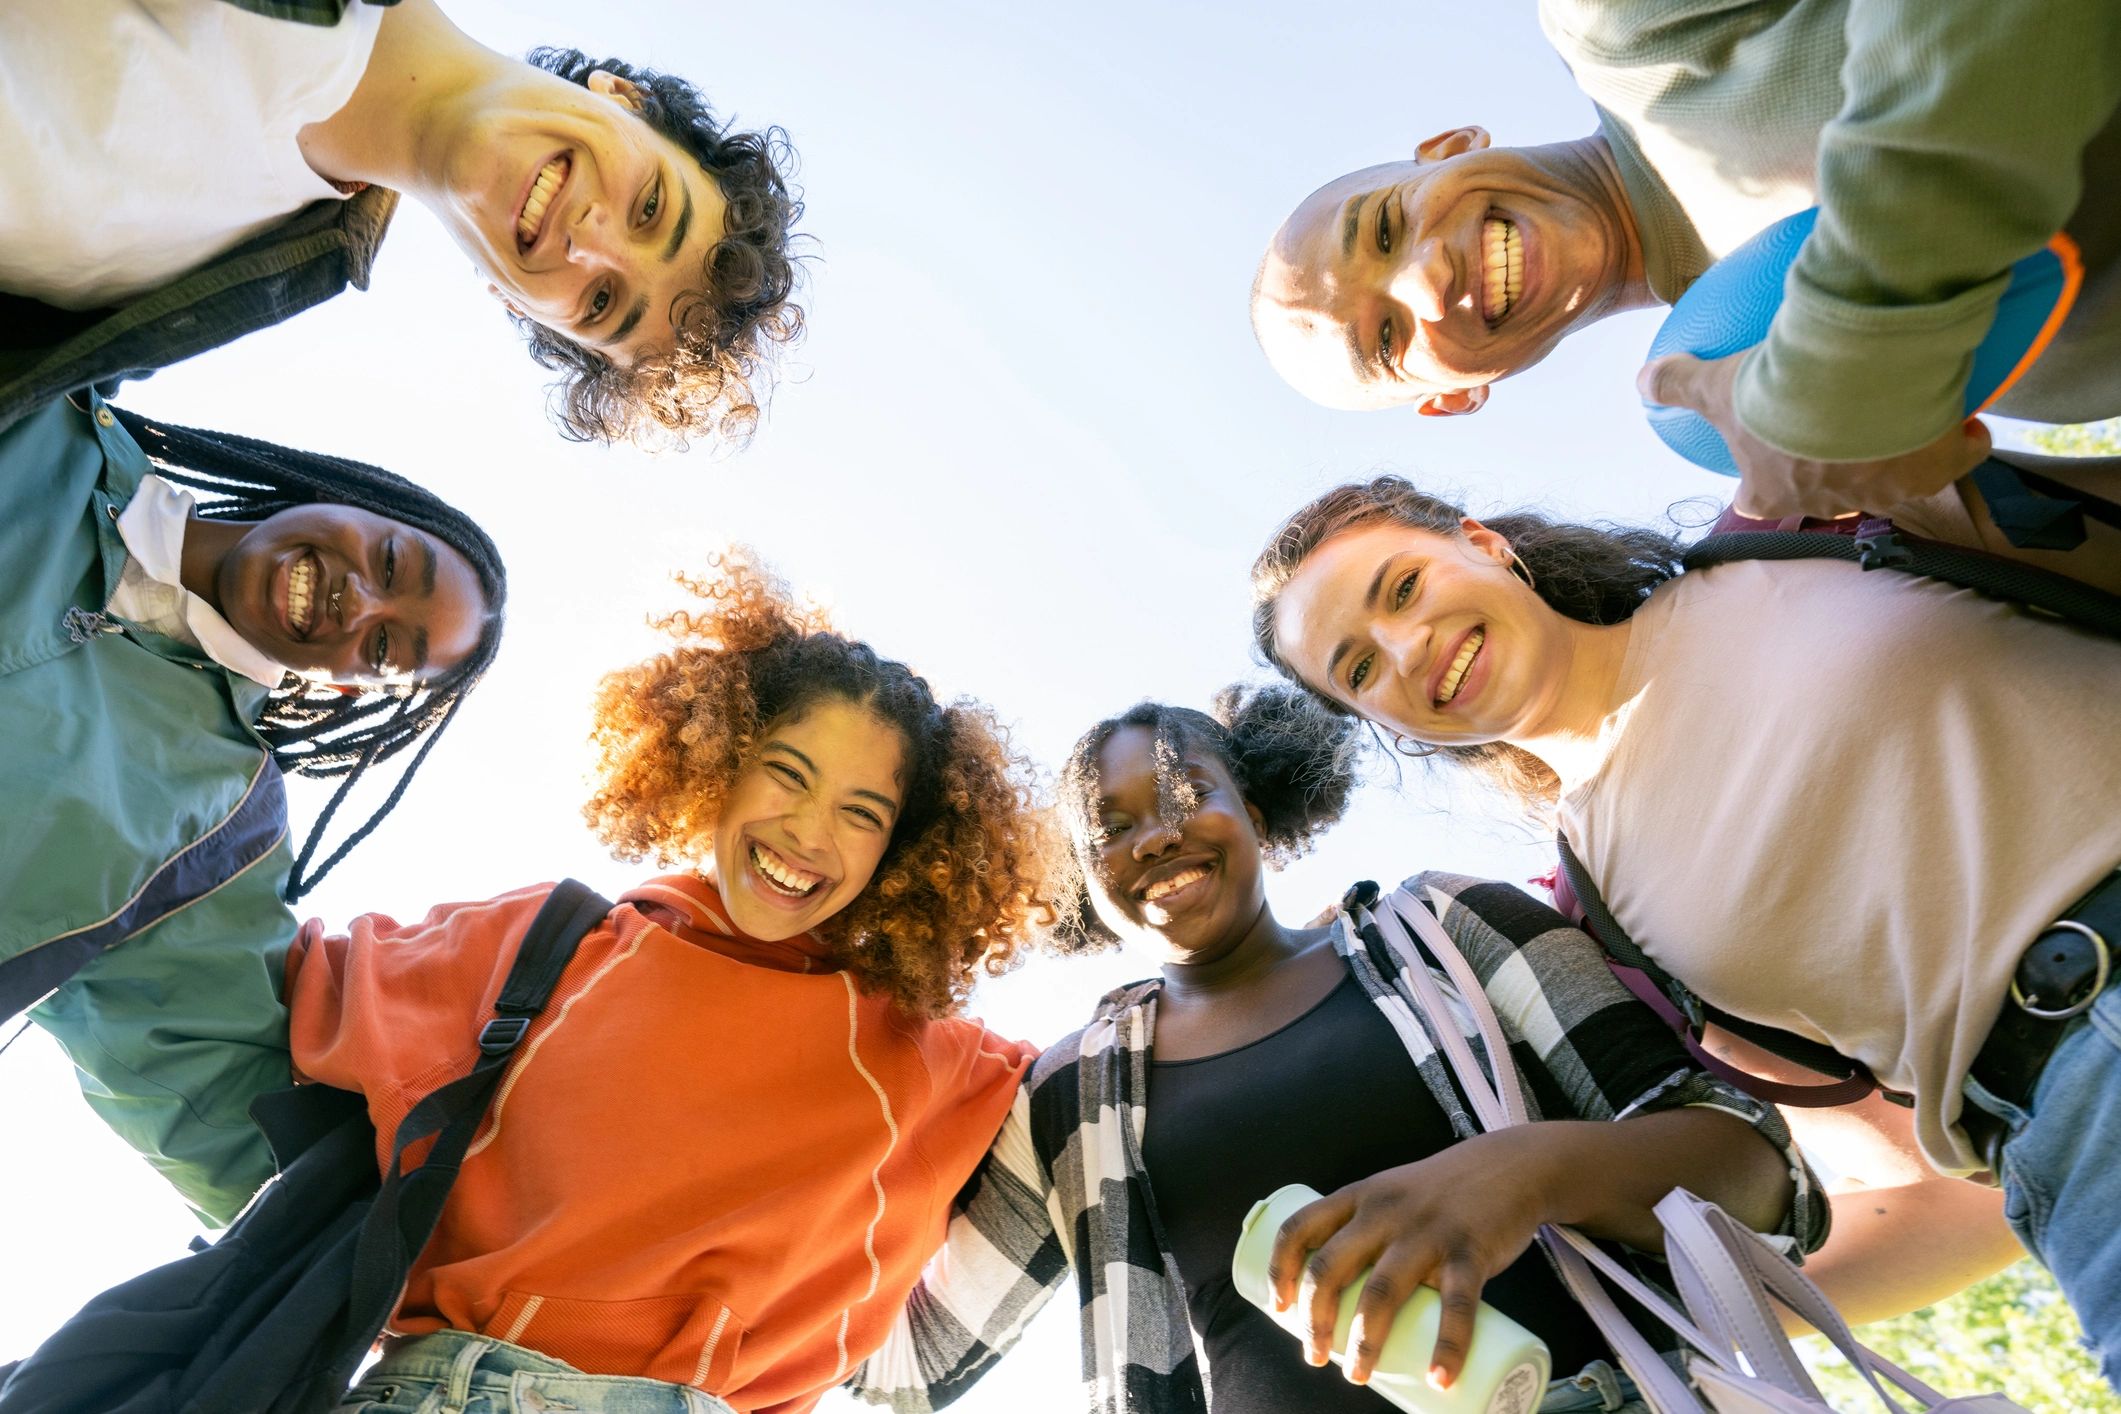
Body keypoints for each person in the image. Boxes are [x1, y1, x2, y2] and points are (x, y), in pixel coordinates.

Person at [1248, 475, 2121, 1376]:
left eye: (1402, 587)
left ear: (1483, 544)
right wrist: (1649, 1329)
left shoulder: (1799, 525)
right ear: (1381, 724)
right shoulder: (1601, 930)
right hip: (2079, 1134)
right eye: (1358, 670)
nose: (1404, 647)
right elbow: (1932, 1196)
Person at [850, 687, 1821, 1413]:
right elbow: (900, 1366)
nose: (1155, 837)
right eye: (1111, 828)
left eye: (1187, 792)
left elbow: (1763, 1176)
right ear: (1083, 885)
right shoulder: (1066, 1097)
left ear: (1256, 810)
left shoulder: (1448, 929)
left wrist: (1527, 1172)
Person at [285, 556, 1059, 1413]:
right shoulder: (548, 945)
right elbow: (248, 1003)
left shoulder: (931, 1060)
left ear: (901, 851)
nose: (808, 833)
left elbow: (1118, 1100)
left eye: (861, 813)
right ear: (721, 758)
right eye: (787, 772)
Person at [1249, 0, 2121, 523]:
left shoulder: (1622, 22)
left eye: (1385, 229)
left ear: (1448, 145)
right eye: (1388, 336)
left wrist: (1846, 360)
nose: (1425, 280)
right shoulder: (1745, 401)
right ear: (1457, 396)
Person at [0, 392, 505, 1225]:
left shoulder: (220, 828)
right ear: (347, 500)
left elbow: (245, 1149)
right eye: (389, 562)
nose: (360, 602)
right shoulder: (55, 422)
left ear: (351, 687)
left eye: (385, 646)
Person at [0, 0, 803, 446]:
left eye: (601, 303)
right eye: (651, 207)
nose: (589, 240)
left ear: (514, 304)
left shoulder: (252, 276)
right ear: (623, 98)